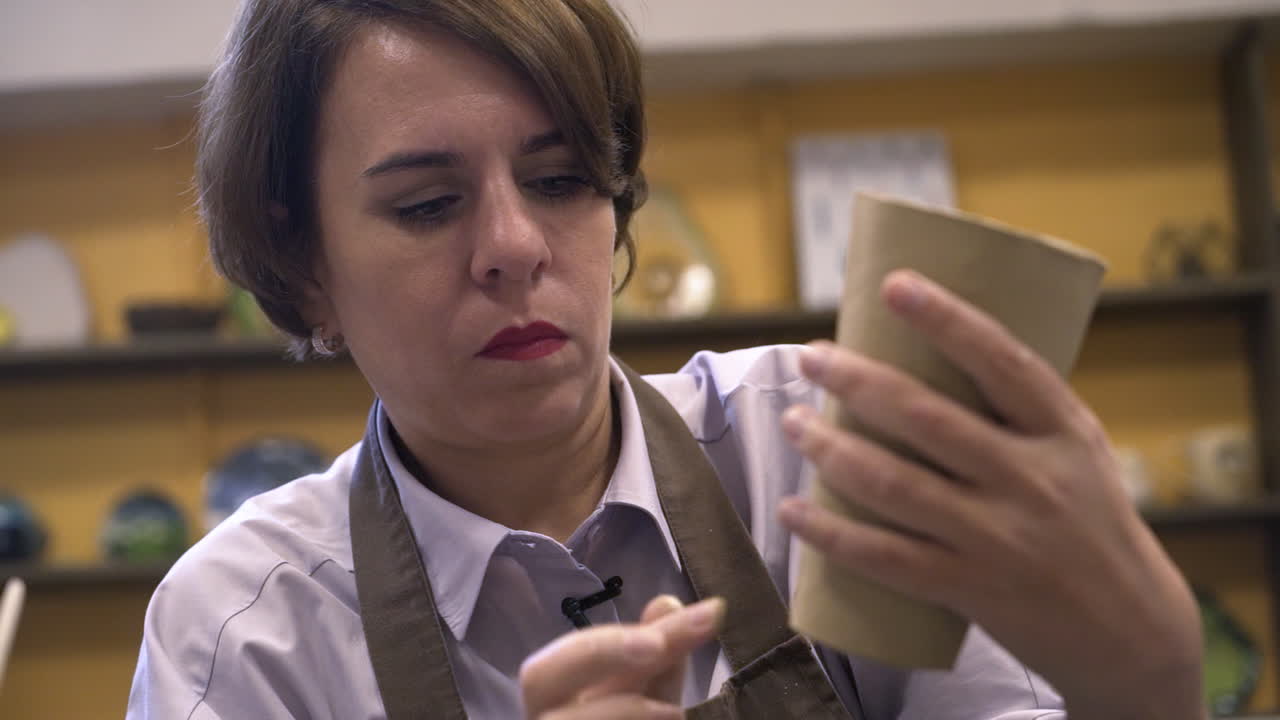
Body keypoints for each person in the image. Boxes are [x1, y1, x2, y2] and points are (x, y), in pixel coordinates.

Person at [126, 1, 1206, 718]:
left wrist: (1145, 686)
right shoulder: (244, 637)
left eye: (559, 181)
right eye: (426, 204)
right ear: (305, 266)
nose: (513, 246)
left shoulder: (819, 455)